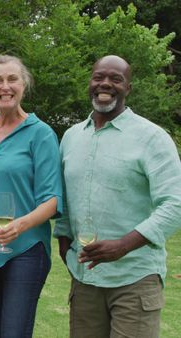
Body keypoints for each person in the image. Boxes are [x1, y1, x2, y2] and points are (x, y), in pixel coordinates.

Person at [54, 55, 181, 338]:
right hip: (85, 279)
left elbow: (175, 204)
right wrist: (64, 243)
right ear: (90, 82)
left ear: (128, 88)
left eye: (116, 79)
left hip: (135, 279)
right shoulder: (72, 137)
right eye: (99, 77)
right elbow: (64, 198)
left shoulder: (152, 138)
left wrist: (123, 245)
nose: (105, 84)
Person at [0, 55, 62, 338]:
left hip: (25, 249)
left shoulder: (40, 134)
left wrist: (21, 224)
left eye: (12, 79)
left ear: (24, 85)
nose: (5, 86)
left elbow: (53, 198)